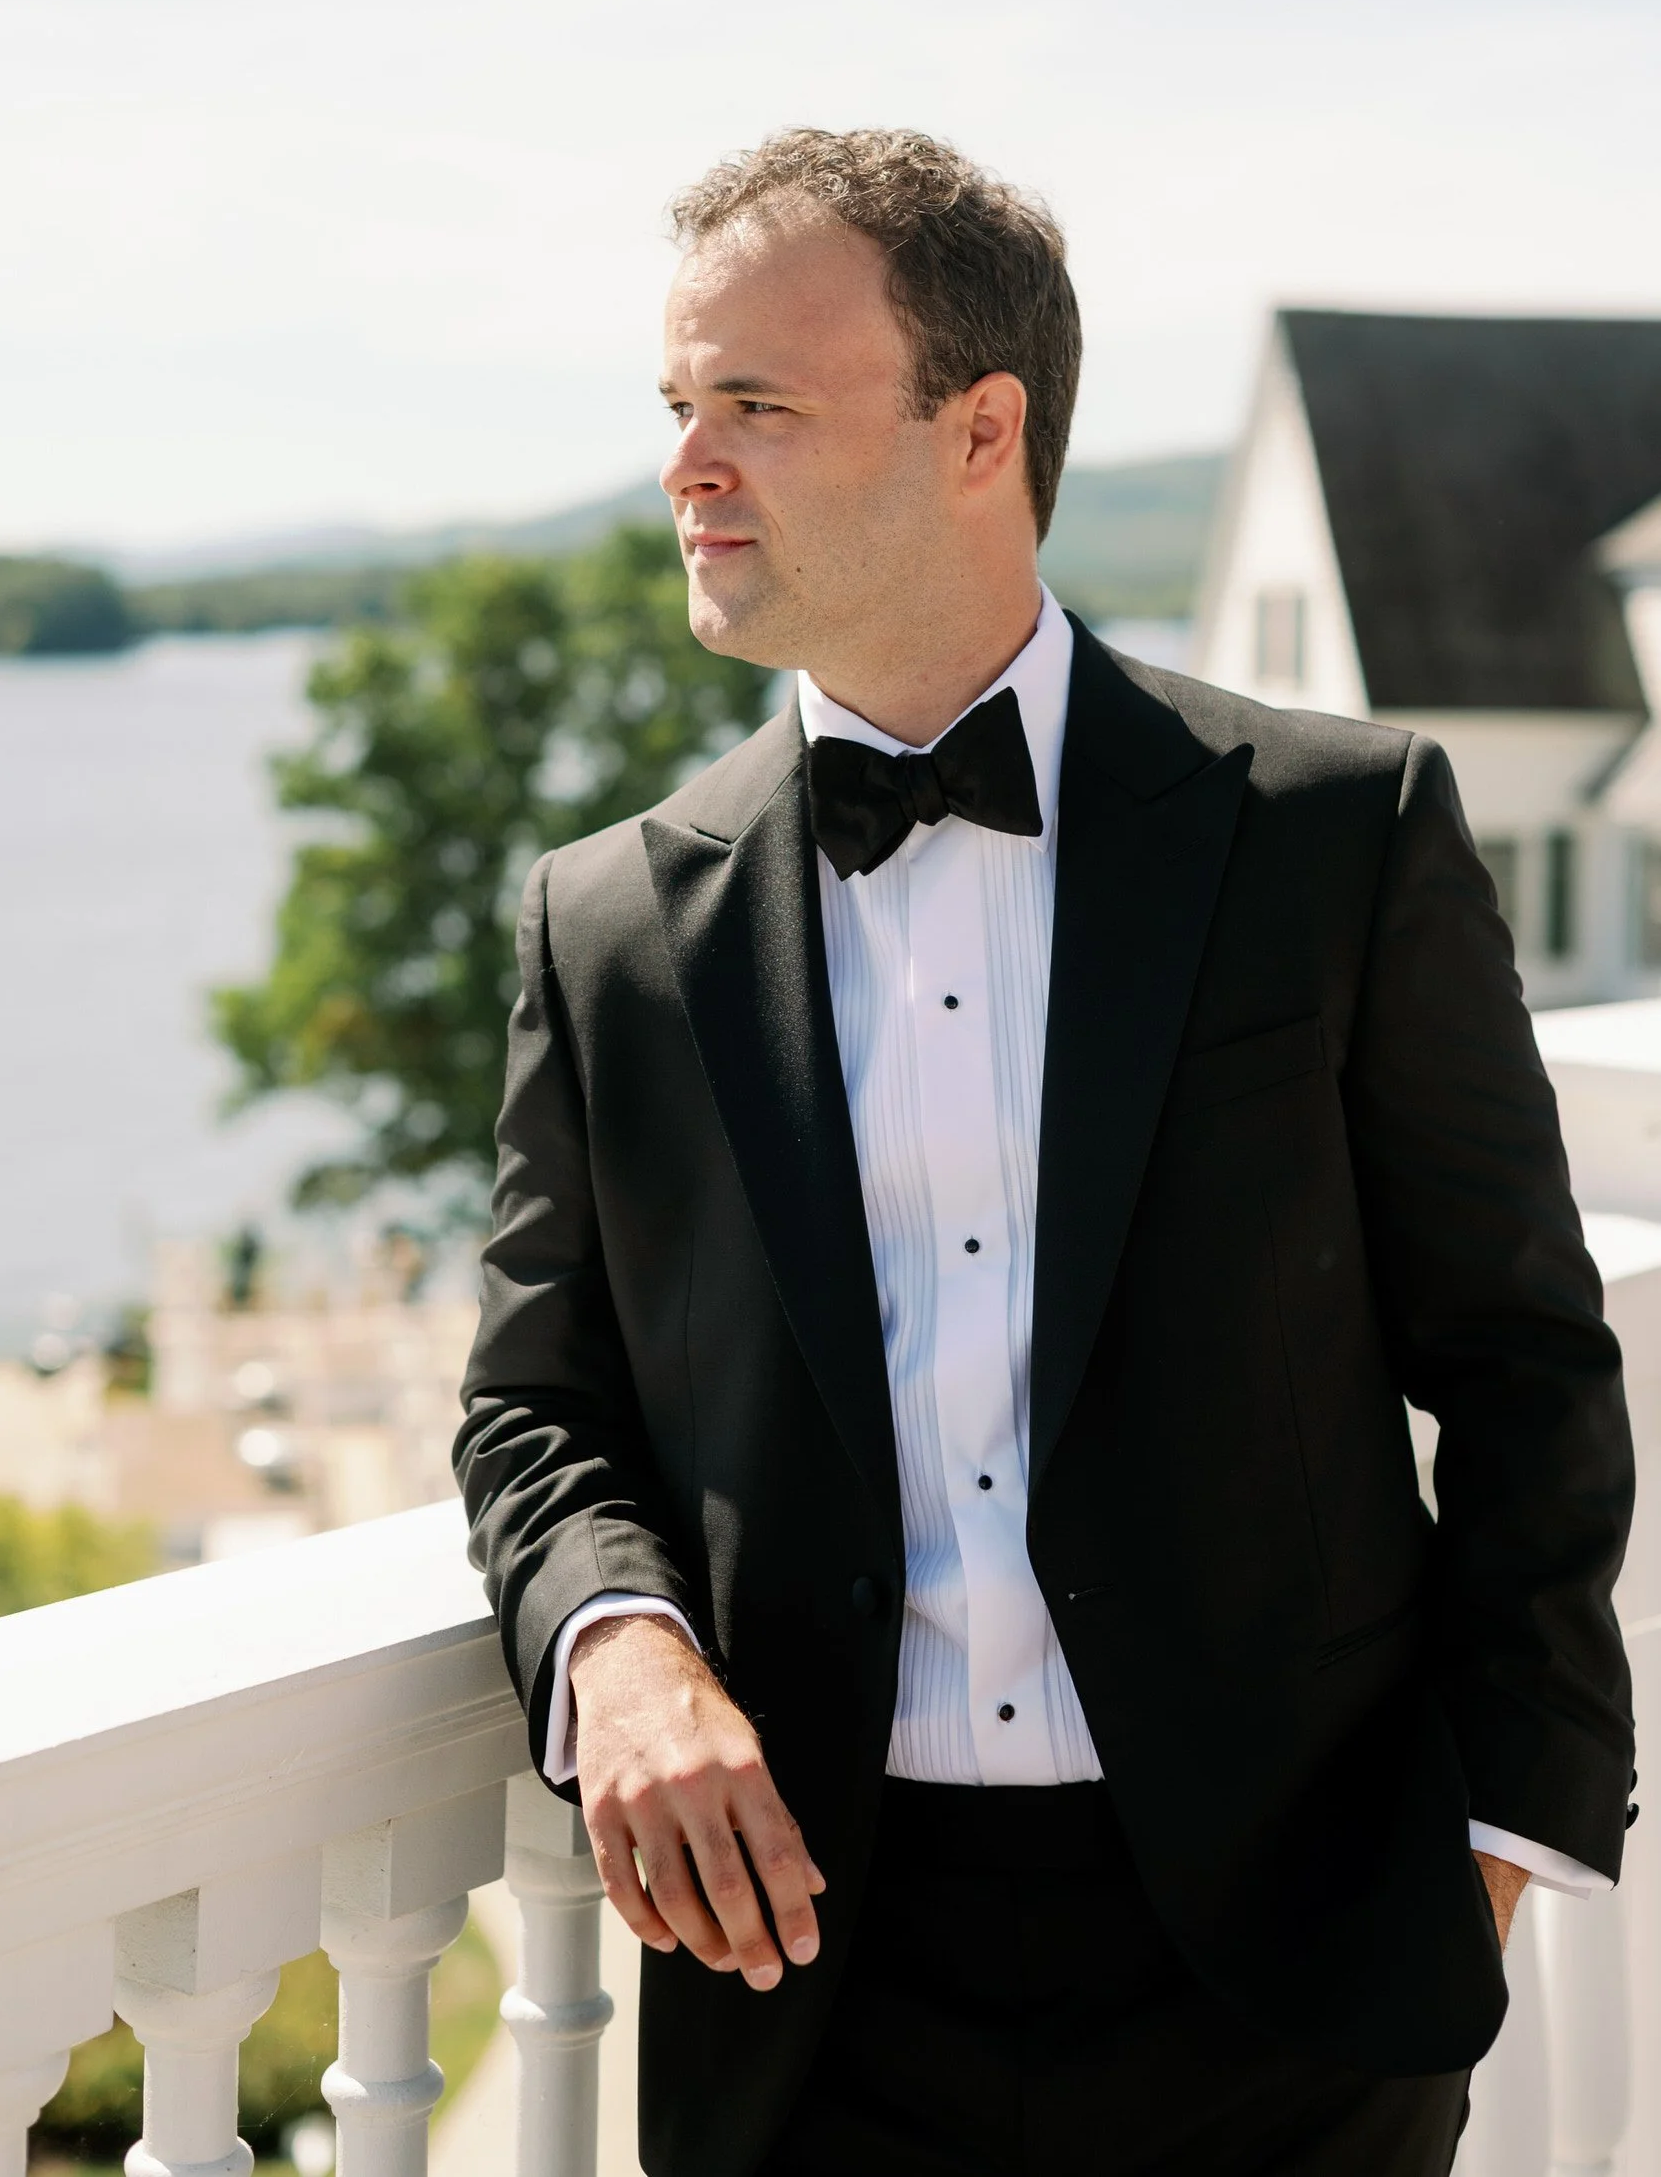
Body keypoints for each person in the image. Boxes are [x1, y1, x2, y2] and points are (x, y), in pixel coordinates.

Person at [455, 128, 1636, 2177]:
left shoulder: (1335, 836)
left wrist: (1492, 1846)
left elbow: (1529, 1360)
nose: (686, 469)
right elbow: (537, 1404)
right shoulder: (612, 926)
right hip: (809, 1983)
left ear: (979, 429)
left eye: (758, 404)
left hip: (1292, 1975)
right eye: (676, 406)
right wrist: (618, 1641)